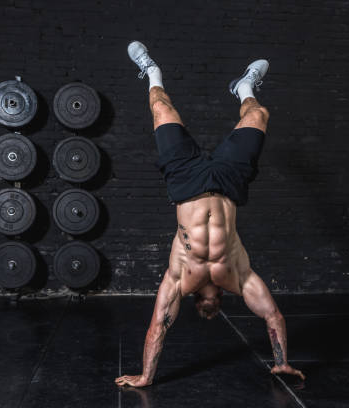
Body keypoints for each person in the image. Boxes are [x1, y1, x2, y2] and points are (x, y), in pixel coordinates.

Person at [115, 41, 305, 388]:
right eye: (213, 310)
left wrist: (145, 377)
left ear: (197, 300)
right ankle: (244, 86)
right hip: (229, 183)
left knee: (160, 108)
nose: (208, 309)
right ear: (220, 298)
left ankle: (151, 71)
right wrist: (282, 363)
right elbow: (272, 315)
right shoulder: (237, 275)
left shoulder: (178, 278)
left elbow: (158, 325)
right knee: (258, 116)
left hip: (186, 181)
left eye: (203, 310)